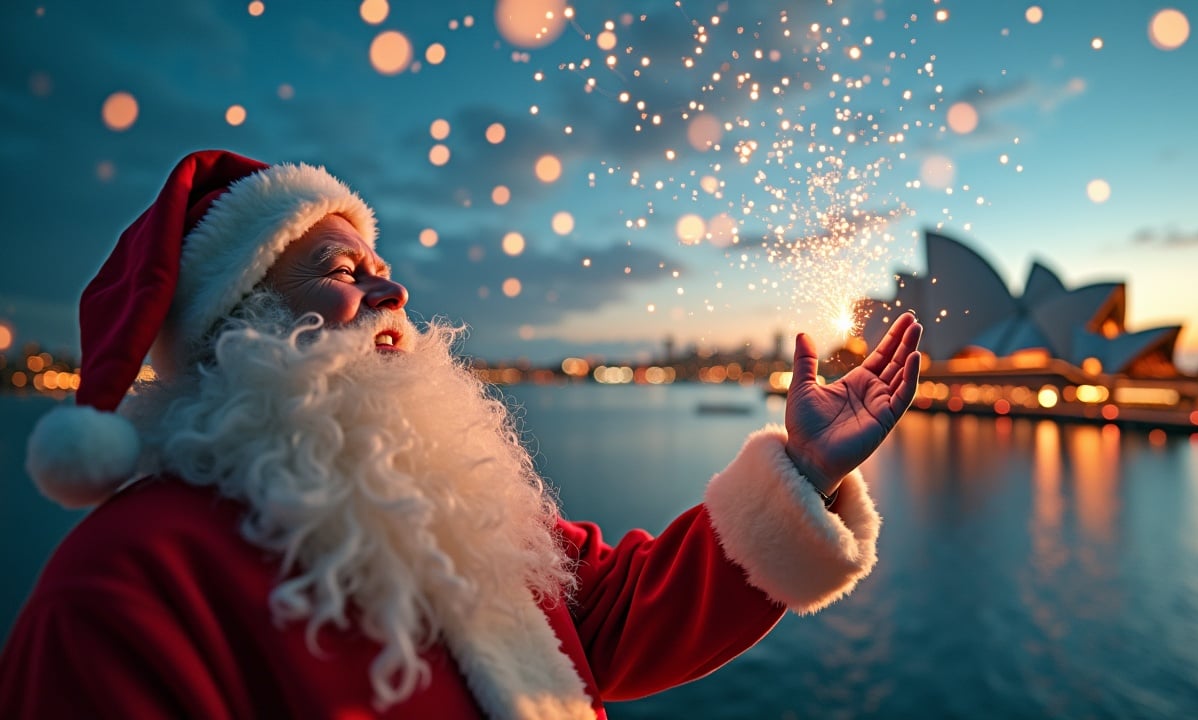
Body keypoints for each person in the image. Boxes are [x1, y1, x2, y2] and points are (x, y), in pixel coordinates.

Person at [0, 150, 922, 718]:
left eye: (384, 267)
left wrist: (799, 471)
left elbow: (607, 618)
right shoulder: (124, 586)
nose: (391, 290)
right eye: (340, 270)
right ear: (234, 326)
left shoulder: (438, 496)